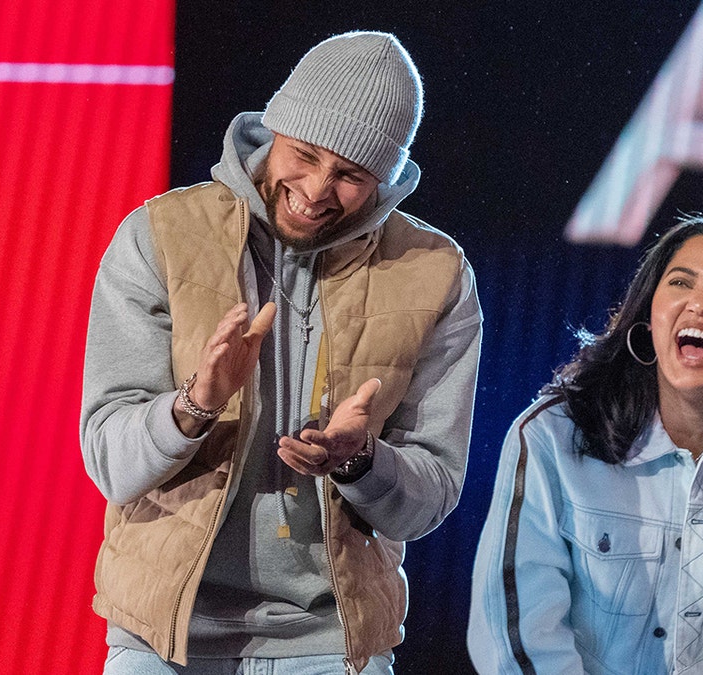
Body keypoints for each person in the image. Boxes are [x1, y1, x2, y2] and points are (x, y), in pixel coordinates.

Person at [80, 31, 481, 674]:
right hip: (163, 640)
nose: (319, 189)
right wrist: (195, 405)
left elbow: (430, 497)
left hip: (333, 644)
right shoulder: (159, 235)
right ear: (272, 131)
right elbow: (110, 462)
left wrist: (362, 462)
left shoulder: (435, 273)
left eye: (351, 174)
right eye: (305, 154)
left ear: (385, 180)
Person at [467, 215, 703, 674]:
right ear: (649, 316)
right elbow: (519, 637)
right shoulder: (554, 434)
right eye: (680, 282)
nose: (699, 305)